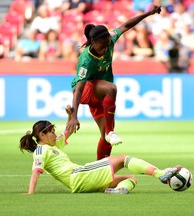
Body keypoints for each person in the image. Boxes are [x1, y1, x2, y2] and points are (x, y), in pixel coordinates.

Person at [66, 3, 162, 160]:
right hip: (85, 92)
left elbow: (127, 25)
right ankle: (111, 131)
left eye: (106, 45)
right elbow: (80, 85)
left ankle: (100, 171)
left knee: (105, 139)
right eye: (101, 46)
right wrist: (75, 115)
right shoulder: (86, 60)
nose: (105, 49)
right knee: (112, 88)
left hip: (98, 96)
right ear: (92, 42)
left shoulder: (110, 39)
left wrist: (148, 14)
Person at [19, 105, 182, 194]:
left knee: (131, 178)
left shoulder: (53, 146)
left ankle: (117, 191)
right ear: (42, 134)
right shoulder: (41, 151)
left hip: (81, 182)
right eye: (52, 132)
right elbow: (36, 171)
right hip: (78, 176)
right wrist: (30, 193)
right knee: (123, 158)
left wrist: (71, 116)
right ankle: (161, 174)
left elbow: (68, 131)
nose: (55, 135)